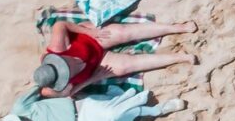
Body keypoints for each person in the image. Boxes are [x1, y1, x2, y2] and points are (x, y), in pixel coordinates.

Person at [29, 14, 196, 97]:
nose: (69, 72)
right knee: (124, 66)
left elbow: (60, 24)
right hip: (95, 65)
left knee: (121, 32)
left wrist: (89, 31)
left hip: (89, 40)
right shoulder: (54, 89)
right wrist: (93, 78)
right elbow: (68, 94)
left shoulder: (58, 47)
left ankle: (177, 28)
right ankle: (179, 58)